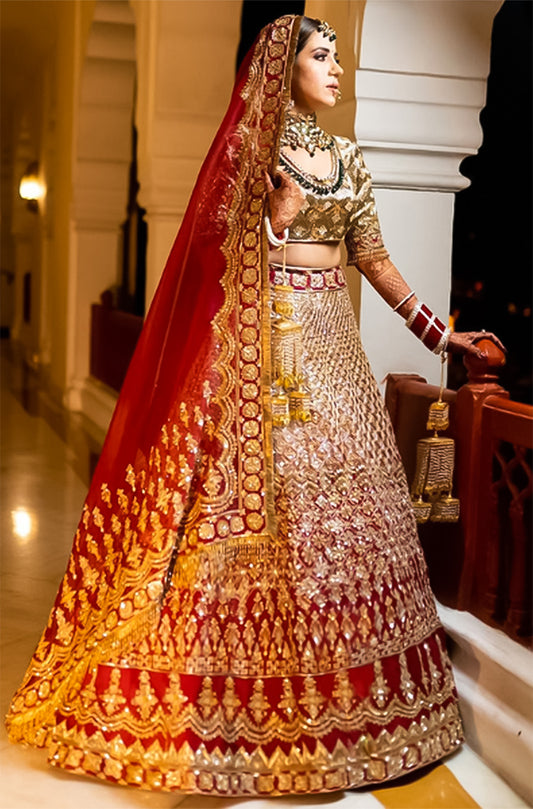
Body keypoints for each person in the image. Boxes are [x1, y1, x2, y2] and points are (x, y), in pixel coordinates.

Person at [6, 15, 503, 797]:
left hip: (333, 344)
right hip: (262, 345)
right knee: (268, 507)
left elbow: (371, 260)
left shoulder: (344, 156)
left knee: (344, 516)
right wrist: (270, 225)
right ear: (282, 67)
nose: (335, 68)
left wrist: (442, 336)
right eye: (320, 56)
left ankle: (361, 713)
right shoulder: (249, 151)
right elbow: (210, 253)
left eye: (339, 56)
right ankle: (244, 709)